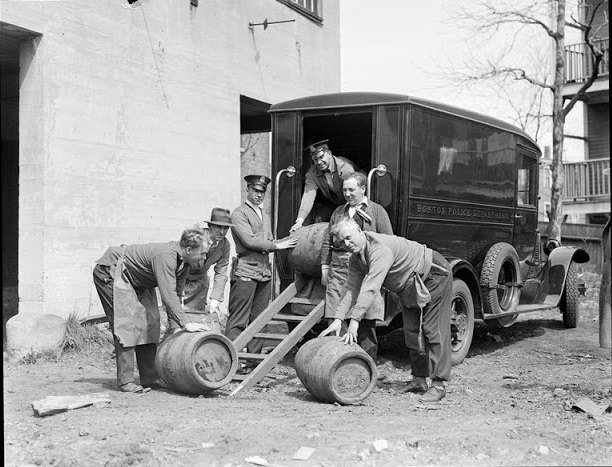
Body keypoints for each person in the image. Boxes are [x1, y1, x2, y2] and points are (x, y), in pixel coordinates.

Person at [321, 219, 452, 403]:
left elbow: (370, 288)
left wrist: (354, 322)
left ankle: (438, 385)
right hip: (409, 284)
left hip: (433, 274)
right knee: (412, 331)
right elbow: (350, 289)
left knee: (432, 330)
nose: (347, 244)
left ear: (360, 230)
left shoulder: (379, 249)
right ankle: (419, 381)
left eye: (349, 238)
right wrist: (338, 318)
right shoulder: (356, 258)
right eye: (342, 242)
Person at [93, 227, 212, 393]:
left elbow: (176, 294)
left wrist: (175, 325)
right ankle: (126, 382)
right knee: (126, 324)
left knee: (151, 322)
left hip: (138, 280)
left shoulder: (185, 263)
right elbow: (167, 294)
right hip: (112, 271)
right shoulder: (165, 256)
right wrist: (186, 323)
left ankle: (150, 378)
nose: (204, 257)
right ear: (188, 249)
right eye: (203, 253)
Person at [320, 171, 393, 360]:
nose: (347, 194)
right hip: (338, 272)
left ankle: (367, 367)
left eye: (352, 189)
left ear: (363, 188)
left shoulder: (377, 211)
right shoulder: (338, 212)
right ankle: (337, 366)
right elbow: (328, 241)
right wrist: (324, 267)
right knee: (336, 318)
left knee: (365, 323)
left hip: (365, 272)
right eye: (344, 190)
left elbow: (388, 242)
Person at [226, 175, 297, 356]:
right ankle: (230, 360)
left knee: (260, 319)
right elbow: (249, 241)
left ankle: (253, 360)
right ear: (247, 190)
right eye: (256, 190)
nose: (259, 195)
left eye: (262, 192)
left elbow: (270, 239)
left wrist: (291, 239)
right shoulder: (239, 213)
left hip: (264, 272)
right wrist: (276, 246)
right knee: (239, 318)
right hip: (246, 270)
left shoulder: (262, 214)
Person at [290, 140, 358, 232]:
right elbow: (308, 195)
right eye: (315, 160)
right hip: (334, 202)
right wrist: (300, 220)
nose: (319, 162)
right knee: (319, 220)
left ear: (329, 154)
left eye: (321, 157)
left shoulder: (345, 168)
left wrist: (346, 212)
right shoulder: (312, 173)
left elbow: (353, 193)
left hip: (352, 202)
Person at [183, 208, 233, 315]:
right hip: (181, 279)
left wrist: (215, 302)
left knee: (196, 316)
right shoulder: (196, 237)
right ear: (210, 226)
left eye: (226, 228)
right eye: (219, 227)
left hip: (200, 282)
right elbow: (180, 263)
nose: (222, 232)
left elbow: (221, 273)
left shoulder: (224, 245)